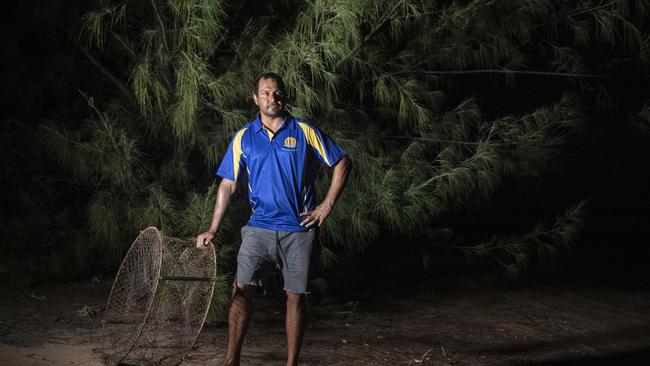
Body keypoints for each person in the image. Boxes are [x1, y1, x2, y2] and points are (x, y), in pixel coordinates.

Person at [196, 72, 351, 366]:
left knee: (295, 297)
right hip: (259, 228)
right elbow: (228, 184)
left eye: (277, 93)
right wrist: (213, 228)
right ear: (255, 98)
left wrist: (326, 206)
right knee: (241, 290)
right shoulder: (244, 137)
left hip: (298, 229)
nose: (272, 98)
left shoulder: (303, 130)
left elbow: (342, 161)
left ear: (285, 97)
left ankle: (291, 363)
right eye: (265, 93)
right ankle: (232, 361)